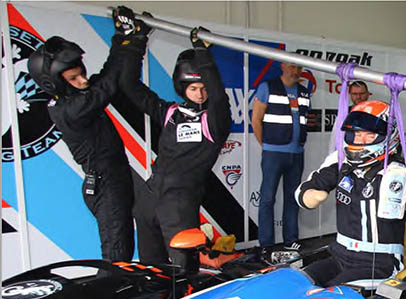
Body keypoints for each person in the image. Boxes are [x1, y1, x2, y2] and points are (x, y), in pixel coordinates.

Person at [26, 8, 143, 262]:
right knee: (116, 257)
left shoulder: (75, 98)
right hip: (107, 184)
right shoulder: (71, 110)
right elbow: (108, 84)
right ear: (55, 84)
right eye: (73, 78)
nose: (82, 80)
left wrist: (126, 39)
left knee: (121, 252)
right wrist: (128, 39)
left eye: (81, 72)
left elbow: (104, 76)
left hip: (112, 179)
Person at [118, 12, 231, 272]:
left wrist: (202, 53)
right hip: (149, 197)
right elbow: (128, 84)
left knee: (184, 270)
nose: (200, 94)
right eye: (193, 89)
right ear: (182, 88)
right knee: (150, 270)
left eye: (204, 88)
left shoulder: (214, 122)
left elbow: (218, 96)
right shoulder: (169, 113)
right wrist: (138, 38)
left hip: (179, 204)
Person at [295, 100, 406, 287]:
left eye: (369, 135)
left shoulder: (394, 174)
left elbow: (390, 213)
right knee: (296, 282)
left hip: (378, 264)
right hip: (340, 256)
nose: (361, 140)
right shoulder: (341, 160)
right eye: (357, 134)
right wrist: (310, 194)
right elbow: (305, 191)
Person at [251, 61, 311, 252]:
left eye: (299, 68)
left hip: (297, 154)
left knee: (293, 198)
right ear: (283, 66)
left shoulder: (303, 92)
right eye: (293, 67)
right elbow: (256, 120)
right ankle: (266, 244)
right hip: (274, 153)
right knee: (267, 199)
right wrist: (267, 144)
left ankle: (290, 240)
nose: (296, 71)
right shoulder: (268, 87)